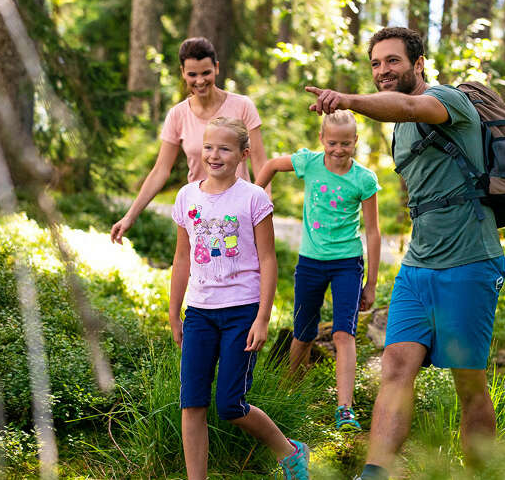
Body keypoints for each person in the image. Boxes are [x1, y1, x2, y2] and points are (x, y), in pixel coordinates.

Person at [305, 27, 505, 479]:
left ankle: (482, 473)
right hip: (418, 268)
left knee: (468, 382)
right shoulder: (398, 131)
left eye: (392, 61)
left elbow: (412, 106)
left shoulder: (448, 101)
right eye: (375, 64)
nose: (382, 71)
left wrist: (349, 101)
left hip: (469, 262)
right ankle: (374, 473)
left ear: (417, 64)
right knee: (396, 365)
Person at [169, 117, 309, 480]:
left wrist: (262, 317)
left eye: (225, 148)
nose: (214, 155)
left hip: (241, 313)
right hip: (199, 312)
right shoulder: (187, 197)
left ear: (243, 154)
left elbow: (268, 259)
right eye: (209, 146)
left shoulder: (253, 197)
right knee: (192, 403)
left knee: (231, 404)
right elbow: (182, 258)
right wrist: (174, 312)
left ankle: (290, 453)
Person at [254, 110, 381, 432]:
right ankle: (289, 393)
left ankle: (345, 408)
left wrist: (371, 284)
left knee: (343, 332)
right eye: (333, 143)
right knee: (303, 332)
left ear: (355, 142)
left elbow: (374, 232)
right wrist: (252, 198)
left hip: (347, 263)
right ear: (322, 139)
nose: (339, 149)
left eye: (346, 143)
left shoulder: (363, 179)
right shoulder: (309, 163)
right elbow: (269, 166)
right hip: (310, 261)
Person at [111, 36, 269, 244]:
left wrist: (263, 211)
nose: (200, 81)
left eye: (206, 72)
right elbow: (161, 170)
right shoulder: (178, 115)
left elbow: (260, 163)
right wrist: (130, 216)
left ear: (217, 68)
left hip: (238, 212)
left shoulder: (242, 106)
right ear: (183, 73)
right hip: (199, 213)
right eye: (192, 74)